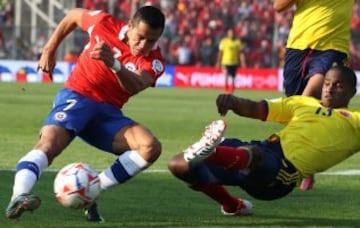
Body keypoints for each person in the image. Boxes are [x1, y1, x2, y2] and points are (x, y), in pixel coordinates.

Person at [5, 5, 165, 222]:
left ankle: (92, 190)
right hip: (77, 97)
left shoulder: (154, 61)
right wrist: (49, 49)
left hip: (108, 114)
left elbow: (136, 85)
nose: (144, 45)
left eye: (152, 41)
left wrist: (114, 64)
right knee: (50, 145)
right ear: (129, 26)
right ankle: (19, 195)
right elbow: (72, 16)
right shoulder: (103, 24)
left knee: (150, 147)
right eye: (141, 37)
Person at [168, 65, 359, 215]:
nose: (329, 89)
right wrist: (234, 102)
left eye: (338, 85)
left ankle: (211, 150)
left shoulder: (356, 120)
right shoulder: (303, 103)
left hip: (282, 174)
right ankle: (232, 205)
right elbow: (257, 108)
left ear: (352, 91)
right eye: (326, 83)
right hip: (261, 149)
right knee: (178, 165)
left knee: (254, 154)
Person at [273, 0, 355, 191]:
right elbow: (278, 6)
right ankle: (302, 163)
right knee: (295, 108)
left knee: (312, 92)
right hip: (298, 45)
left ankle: (298, 166)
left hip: (332, 46)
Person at [216, 28, 246, 94]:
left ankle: (231, 91)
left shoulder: (237, 42)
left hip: (234, 62)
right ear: (227, 34)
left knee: (233, 78)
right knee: (226, 75)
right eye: (230, 33)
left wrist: (243, 62)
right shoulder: (224, 41)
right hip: (225, 62)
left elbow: (241, 53)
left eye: (232, 33)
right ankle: (226, 90)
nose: (231, 34)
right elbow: (220, 52)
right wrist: (218, 61)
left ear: (234, 33)